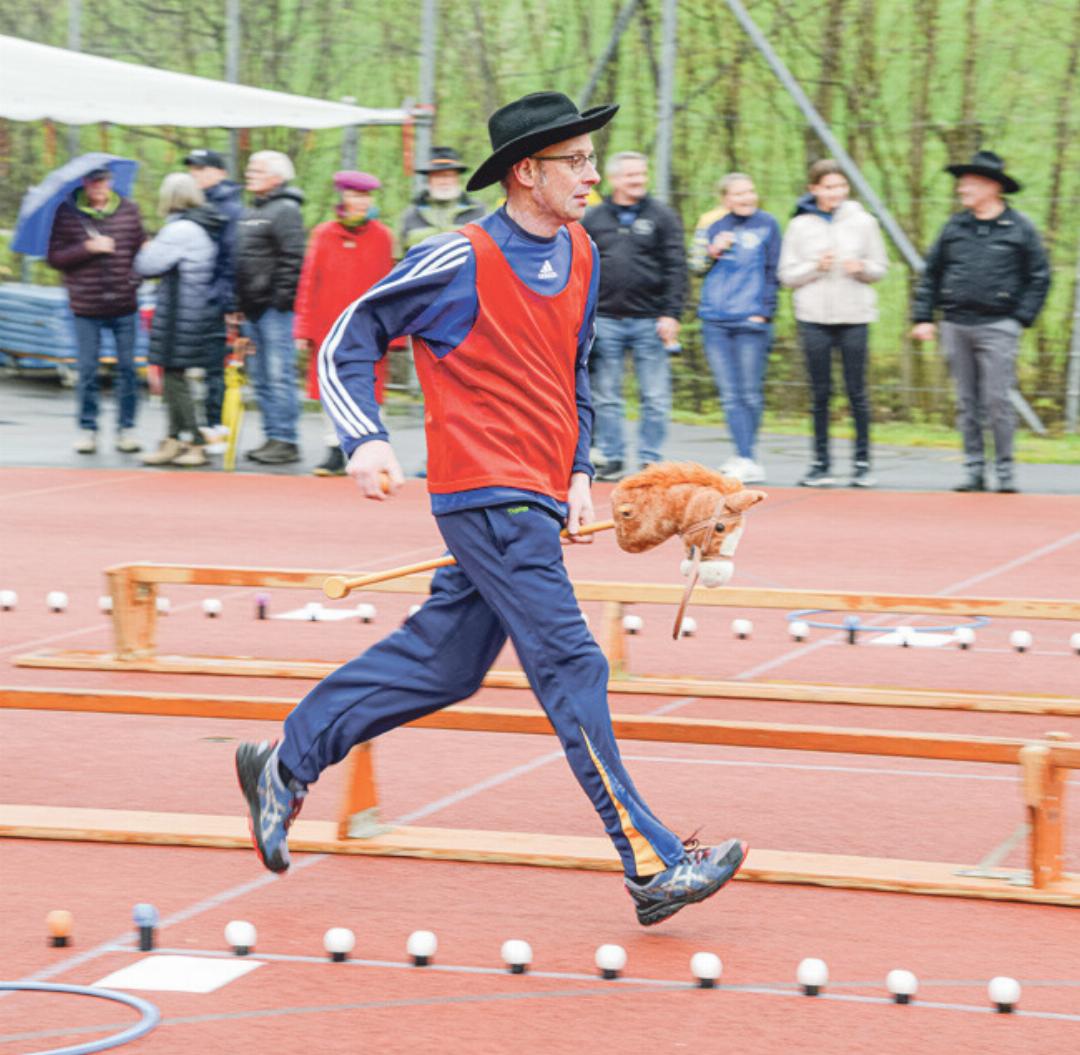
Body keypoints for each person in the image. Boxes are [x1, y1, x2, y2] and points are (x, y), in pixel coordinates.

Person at [234, 91, 747, 927]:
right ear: (526, 172)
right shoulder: (458, 257)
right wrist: (365, 437)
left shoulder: (582, 251)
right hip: (486, 495)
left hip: (537, 495)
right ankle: (653, 861)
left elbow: (573, 370)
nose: (591, 174)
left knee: (447, 664)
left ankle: (286, 761)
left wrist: (577, 470)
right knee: (573, 663)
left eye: (592, 158)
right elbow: (348, 333)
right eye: (575, 161)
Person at [911, 151, 1050, 493]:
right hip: (956, 324)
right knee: (966, 402)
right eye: (962, 183)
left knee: (997, 400)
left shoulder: (1019, 228)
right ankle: (974, 469)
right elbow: (932, 274)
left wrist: (1020, 318)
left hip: (999, 326)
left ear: (992, 187)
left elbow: (1039, 276)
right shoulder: (954, 227)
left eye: (969, 183)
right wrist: (924, 316)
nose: (962, 189)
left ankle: (1004, 470)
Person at [779, 159, 888, 488]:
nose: (835, 192)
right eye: (828, 187)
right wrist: (815, 266)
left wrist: (862, 268)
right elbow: (786, 275)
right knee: (820, 393)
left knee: (857, 391)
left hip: (854, 316)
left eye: (840, 186)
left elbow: (880, 267)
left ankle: (862, 463)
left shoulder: (864, 222)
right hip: (814, 317)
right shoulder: (799, 225)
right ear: (814, 189)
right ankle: (820, 463)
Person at [582, 151, 687, 481]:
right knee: (606, 396)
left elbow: (676, 267)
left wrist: (671, 314)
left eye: (642, 173)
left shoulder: (663, 216)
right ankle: (612, 457)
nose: (638, 180)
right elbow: (579, 266)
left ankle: (650, 460)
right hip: (605, 320)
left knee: (655, 396)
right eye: (630, 175)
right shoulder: (593, 218)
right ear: (614, 178)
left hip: (651, 321)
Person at [294, 171, 394, 476]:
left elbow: (392, 285)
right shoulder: (323, 234)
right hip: (328, 326)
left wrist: (395, 332)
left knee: (371, 387)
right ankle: (334, 448)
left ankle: (375, 446)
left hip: (370, 326)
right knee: (330, 386)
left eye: (365, 196)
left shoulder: (382, 236)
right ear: (343, 197)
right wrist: (303, 329)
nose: (360, 202)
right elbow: (309, 281)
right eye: (354, 195)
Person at [46, 167, 146, 455]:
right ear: (84, 183)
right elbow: (55, 258)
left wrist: (134, 279)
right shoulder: (67, 213)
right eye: (93, 181)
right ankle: (88, 429)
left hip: (124, 304)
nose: (99, 186)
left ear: (111, 182)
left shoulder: (129, 210)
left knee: (127, 369)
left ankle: (126, 429)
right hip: (86, 306)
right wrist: (88, 247)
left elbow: (142, 251)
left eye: (103, 181)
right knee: (88, 369)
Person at [691, 173, 781, 483]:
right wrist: (711, 251)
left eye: (750, 191)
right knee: (730, 395)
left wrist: (764, 313)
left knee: (750, 394)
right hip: (716, 321)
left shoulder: (767, 224)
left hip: (750, 320)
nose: (746, 198)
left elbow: (773, 271)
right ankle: (744, 455)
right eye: (739, 194)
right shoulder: (712, 224)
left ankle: (747, 455)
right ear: (725, 199)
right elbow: (695, 266)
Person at [134, 173, 226, 468]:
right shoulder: (202, 225)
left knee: (174, 375)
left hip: (179, 310)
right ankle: (173, 438)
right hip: (196, 308)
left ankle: (193, 441)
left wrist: (146, 249)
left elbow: (147, 266)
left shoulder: (180, 229)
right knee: (173, 374)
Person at [234, 150, 306, 465]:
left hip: (274, 310)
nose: (249, 174)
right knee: (260, 376)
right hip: (251, 308)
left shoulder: (286, 210)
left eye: (258, 170)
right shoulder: (252, 210)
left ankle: (286, 439)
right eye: (250, 169)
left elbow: (293, 259)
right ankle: (271, 436)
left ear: (277, 177)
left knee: (278, 374)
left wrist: (279, 300)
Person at [183, 148, 244, 451]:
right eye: (193, 169)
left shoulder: (231, 208)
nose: (196, 174)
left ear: (220, 172)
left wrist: (229, 303)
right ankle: (191, 429)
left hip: (215, 300)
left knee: (214, 369)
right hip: (191, 298)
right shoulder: (192, 205)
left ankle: (215, 428)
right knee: (187, 368)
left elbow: (232, 258)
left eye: (202, 169)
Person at [397, 146, 487, 255]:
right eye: (438, 176)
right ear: (429, 180)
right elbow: (399, 257)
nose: (444, 182)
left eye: (449, 176)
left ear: (458, 178)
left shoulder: (478, 212)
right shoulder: (411, 215)